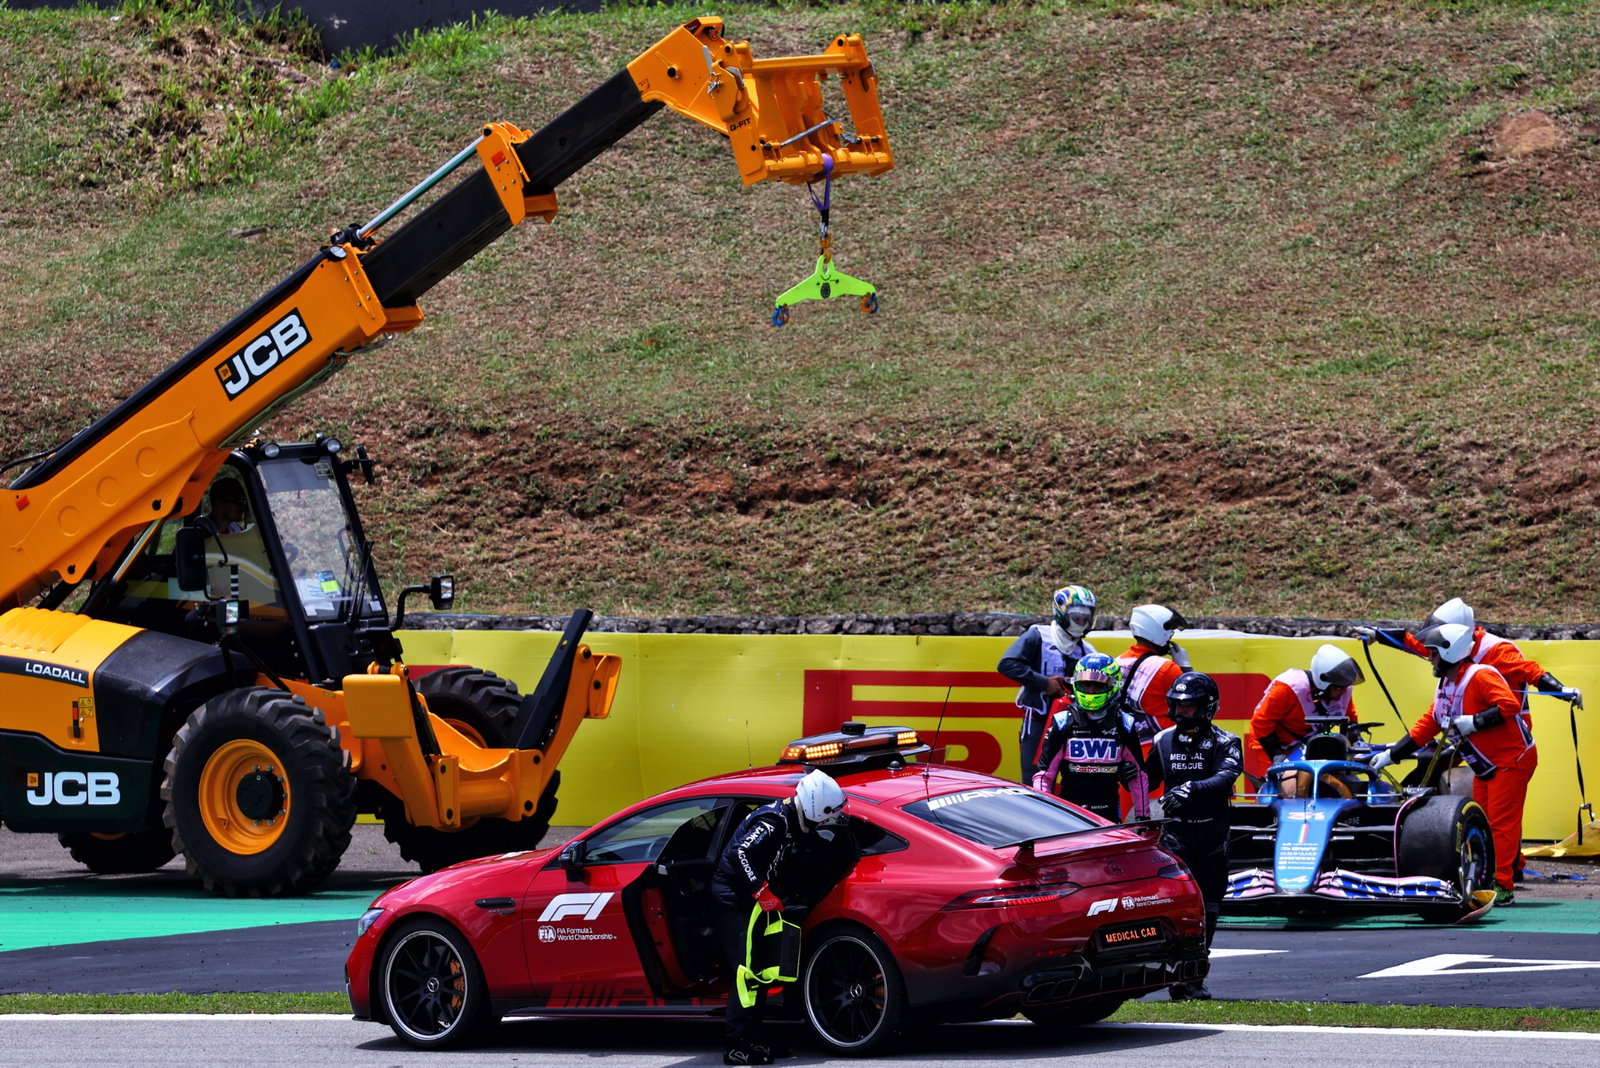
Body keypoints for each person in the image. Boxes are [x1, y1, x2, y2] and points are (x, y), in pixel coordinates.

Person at [1367, 622, 1536, 905]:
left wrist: (1475, 722)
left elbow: (1509, 706)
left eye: (1433, 653)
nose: (1430, 658)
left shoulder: (1480, 676)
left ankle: (1503, 886)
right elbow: (1429, 723)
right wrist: (1392, 755)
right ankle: (1483, 879)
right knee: (1480, 822)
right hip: (1485, 764)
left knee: (1500, 825)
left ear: (1449, 652)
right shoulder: (1447, 683)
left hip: (1512, 760)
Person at [711, 768, 855, 1065]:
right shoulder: (773, 821)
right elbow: (740, 853)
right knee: (747, 971)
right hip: (735, 898)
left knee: (764, 970)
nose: (831, 819)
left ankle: (754, 1038)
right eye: (829, 814)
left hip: (756, 900)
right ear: (816, 807)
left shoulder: (796, 822)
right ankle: (736, 1044)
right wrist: (760, 890)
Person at [1145, 671, 1240, 1001]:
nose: (1181, 713)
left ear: (1208, 707)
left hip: (1213, 835)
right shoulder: (1162, 740)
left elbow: (1226, 776)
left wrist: (1192, 788)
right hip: (1176, 836)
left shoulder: (1227, 742)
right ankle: (1175, 976)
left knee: (1209, 908)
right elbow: (1143, 778)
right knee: (1179, 908)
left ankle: (1194, 978)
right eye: (1177, 706)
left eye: (1189, 707)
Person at [1357, 597, 1582, 717]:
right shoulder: (1451, 649)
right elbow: (1419, 645)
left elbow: (1531, 672)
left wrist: (1561, 690)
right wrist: (1379, 635)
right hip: (1471, 724)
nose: (1434, 655)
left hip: (1506, 729)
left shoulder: (1496, 651)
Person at [1031, 654, 1150, 821]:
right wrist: (1044, 815)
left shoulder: (1125, 723)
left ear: (1113, 685)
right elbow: (1044, 776)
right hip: (1070, 813)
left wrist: (1143, 816)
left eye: (1098, 686)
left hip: (1108, 814)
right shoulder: (1063, 721)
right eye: (1086, 685)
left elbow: (1138, 775)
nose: (1091, 691)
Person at [998, 584, 1099, 781]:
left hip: (1074, 722)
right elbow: (1007, 664)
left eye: (1086, 617)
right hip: (1038, 718)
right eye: (1077, 616)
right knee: (1034, 773)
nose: (1081, 621)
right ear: (1061, 613)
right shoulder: (1037, 635)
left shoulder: (1088, 650)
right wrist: (1044, 683)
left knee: (1074, 774)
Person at [1245, 643, 1365, 792]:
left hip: (1313, 745)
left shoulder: (1342, 689)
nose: (1343, 692)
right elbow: (1260, 724)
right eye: (1339, 688)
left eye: (1346, 686)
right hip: (1275, 746)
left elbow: (1350, 721)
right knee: (1289, 790)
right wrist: (1278, 757)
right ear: (1323, 682)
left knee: (1342, 785)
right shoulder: (1289, 687)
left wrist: (1357, 747)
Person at [1115, 603, 1191, 743]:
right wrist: (1186, 668)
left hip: (1125, 750)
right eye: (1170, 632)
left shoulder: (1116, 662)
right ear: (1158, 630)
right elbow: (1195, 702)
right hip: (1161, 752)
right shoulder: (1167, 669)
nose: (1171, 636)